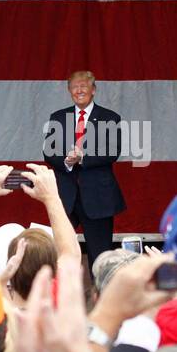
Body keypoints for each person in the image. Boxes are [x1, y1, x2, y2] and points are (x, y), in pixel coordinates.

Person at [43, 70, 126, 269]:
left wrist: (83, 158)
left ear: (93, 90)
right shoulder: (58, 117)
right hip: (66, 195)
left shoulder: (110, 117)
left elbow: (112, 152)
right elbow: (48, 151)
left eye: (84, 86)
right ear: (69, 91)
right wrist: (67, 161)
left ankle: (101, 297)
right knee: (59, 254)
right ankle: (58, 296)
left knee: (100, 257)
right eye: (75, 87)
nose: (79, 90)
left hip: (98, 196)